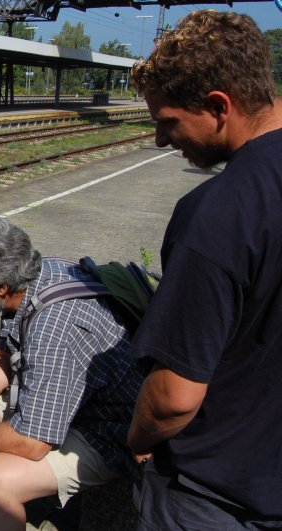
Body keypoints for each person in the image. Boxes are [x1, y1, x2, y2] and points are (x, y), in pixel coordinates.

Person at [127, 10, 282, 528]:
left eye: (167, 121)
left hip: (214, 494)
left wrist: (137, 438)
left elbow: (173, 398)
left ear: (219, 106)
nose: (160, 141)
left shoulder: (218, 213)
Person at [0, 216, 145, 530]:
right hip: (69, 399)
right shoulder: (35, 276)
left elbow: (33, 441)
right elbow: (4, 353)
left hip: (106, 432)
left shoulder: (53, 328)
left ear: (0, 287)